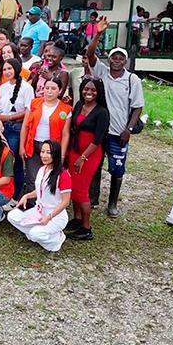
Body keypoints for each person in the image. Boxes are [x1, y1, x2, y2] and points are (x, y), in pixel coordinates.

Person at [86, 17, 144, 217]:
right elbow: (90, 54)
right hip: (99, 130)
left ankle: (112, 203)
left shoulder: (132, 79)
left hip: (118, 132)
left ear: (125, 61)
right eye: (114, 57)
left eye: (121, 58)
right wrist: (99, 34)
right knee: (94, 164)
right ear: (109, 59)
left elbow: (137, 107)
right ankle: (93, 198)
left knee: (117, 168)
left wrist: (128, 129)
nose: (117, 60)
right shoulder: (102, 72)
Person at [65, 77, 109, 241]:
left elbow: (97, 139)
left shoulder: (102, 112)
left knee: (82, 191)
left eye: (93, 90)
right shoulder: (78, 105)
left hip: (89, 155)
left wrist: (83, 157)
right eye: (86, 89)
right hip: (75, 151)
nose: (88, 92)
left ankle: (86, 227)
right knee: (73, 188)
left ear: (98, 92)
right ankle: (77, 219)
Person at [8, 140, 71, 252]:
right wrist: (26, 196)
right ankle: (37, 232)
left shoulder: (63, 174)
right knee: (12, 216)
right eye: (42, 152)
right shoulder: (42, 169)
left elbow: (65, 202)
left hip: (56, 216)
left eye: (48, 152)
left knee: (35, 235)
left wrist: (49, 217)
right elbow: (40, 191)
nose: (44, 155)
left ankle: (56, 239)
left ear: (55, 154)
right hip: (39, 211)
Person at [20, 76, 71, 195]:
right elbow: (25, 126)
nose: (49, 91)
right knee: (32, 178)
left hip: (52, 148)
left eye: (53, 88)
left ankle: (47, 203)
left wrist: (62, 154)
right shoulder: (34, 103)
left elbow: (65, 134)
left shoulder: (66, 109)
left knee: (49, 177)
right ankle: (32, 205)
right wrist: (21, 146)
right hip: (33, 144)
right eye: (47, 88)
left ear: (59, 91)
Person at [0, 58, 33, 198]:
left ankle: (15, 196)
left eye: (10, 68)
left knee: (14, 162)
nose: (7, 72)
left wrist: (9, 117)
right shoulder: (4, 87)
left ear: (17, 69)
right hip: (3, 127)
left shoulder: (26, 88)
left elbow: (29, 110)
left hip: (17, 128)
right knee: (2, 160)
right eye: (5, 69)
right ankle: (3, 192)